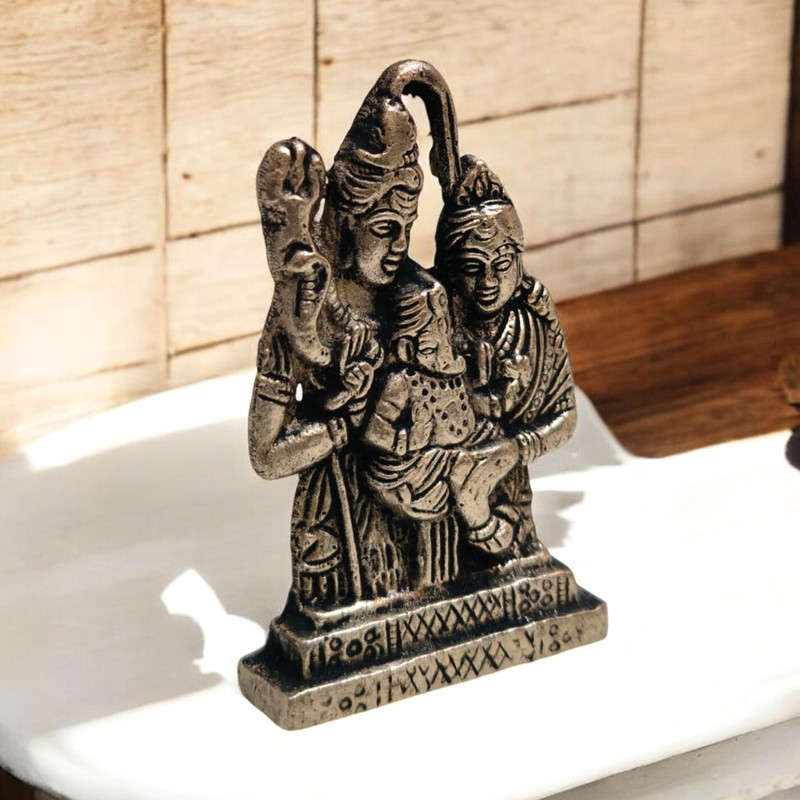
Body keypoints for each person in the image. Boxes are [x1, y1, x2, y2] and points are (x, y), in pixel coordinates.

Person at [435, 155, 578, 558]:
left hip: (510, 492)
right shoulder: (431, 326)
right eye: (473, 267)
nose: (489, 282)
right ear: (449, 268)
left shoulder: (532, 323)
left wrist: (515, 449)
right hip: (436, 496)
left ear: (518, 259)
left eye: (501, 264)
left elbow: (565, 418)